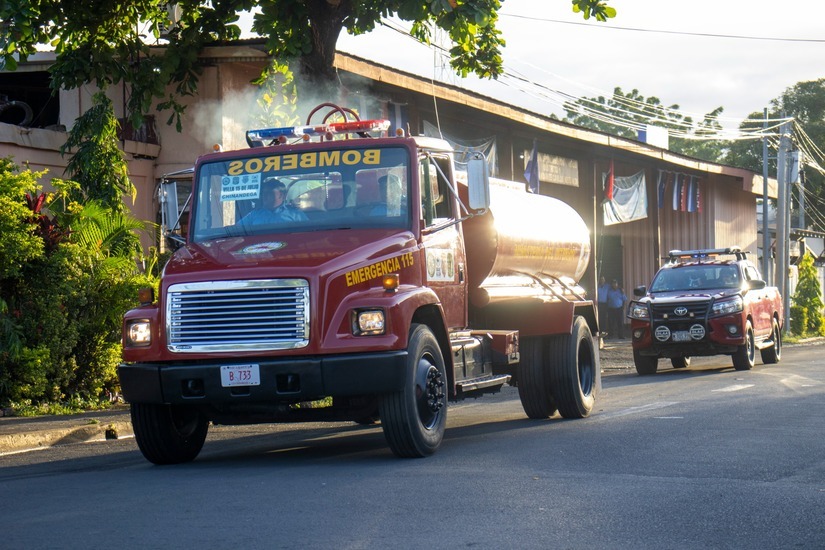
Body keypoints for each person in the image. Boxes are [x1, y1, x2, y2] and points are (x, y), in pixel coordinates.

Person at [240, 178, 308, 226]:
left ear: (281, 195)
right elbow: (237, 229)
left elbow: (306, 233)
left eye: (269, 193)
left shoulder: (295, 214)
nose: (264, 196)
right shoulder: (254, 214)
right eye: (264, 193)